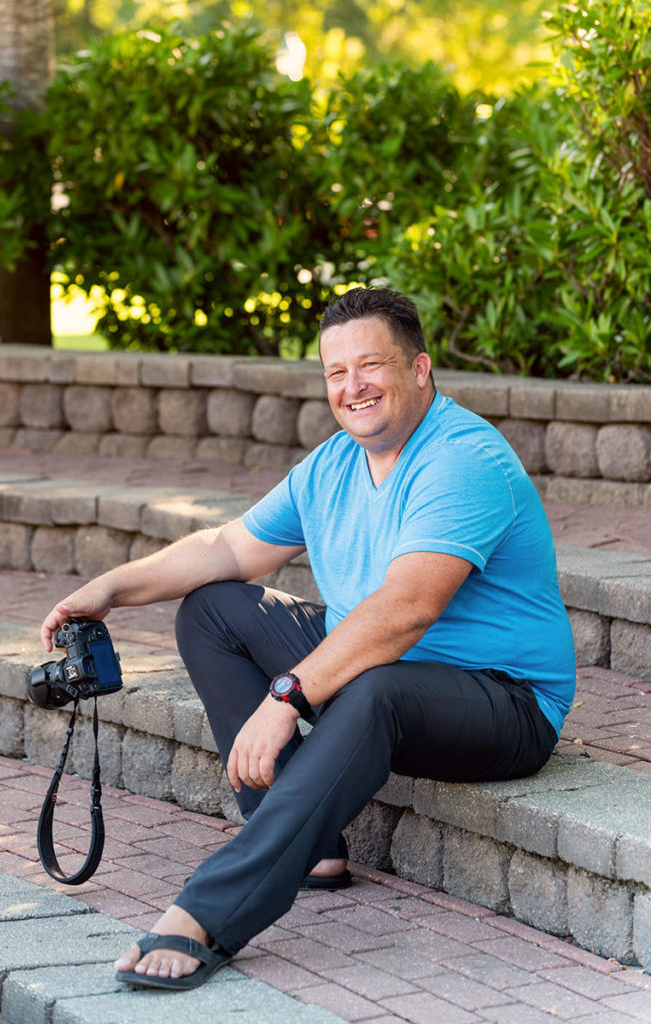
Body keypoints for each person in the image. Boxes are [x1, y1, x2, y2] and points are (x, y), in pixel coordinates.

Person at [40, 286, 576, 992]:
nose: (353, 387)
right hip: (385, 670)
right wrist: (110, 586)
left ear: (419, 370)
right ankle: (307, 844)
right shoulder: (332, 465)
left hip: (503, 701)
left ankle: (212, 910)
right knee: (213, 609)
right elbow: (228, 548)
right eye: (336, 372)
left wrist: (288, 695)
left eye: (371, 367)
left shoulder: (464, 458)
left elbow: (406, 610)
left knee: (379, 688)